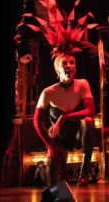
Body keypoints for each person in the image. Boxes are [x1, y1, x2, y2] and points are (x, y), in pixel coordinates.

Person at [17, 0, 101, 105]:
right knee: (46, 79)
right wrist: (23, 50)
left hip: (69, 40)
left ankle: (92, 103)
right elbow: (25, 24)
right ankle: (50, 118)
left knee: (96, 55)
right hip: (48, 43)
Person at [33, 16, 97, 187]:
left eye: (72, 62)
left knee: (89, 122)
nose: (69, 65)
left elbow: (90, 111)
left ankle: (85, 169)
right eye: (65, 63)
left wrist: (65, 117)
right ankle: (41, 170)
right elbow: (37, 121)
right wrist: (50, 145)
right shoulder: (49, 92)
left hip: (78, 136)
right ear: (57, 70)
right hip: (59, 139)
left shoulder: (83, 84)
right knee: (55, 183)